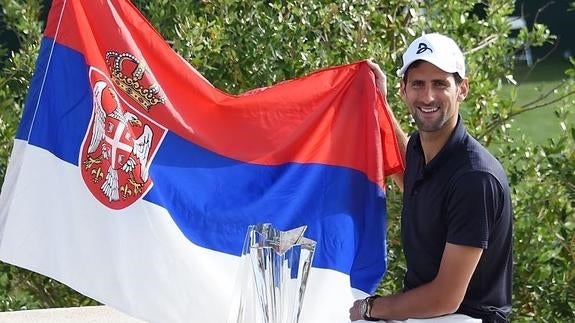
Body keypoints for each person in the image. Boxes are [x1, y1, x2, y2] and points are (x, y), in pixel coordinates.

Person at [349, 33, 513, 322]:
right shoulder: (420, 148)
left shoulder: (475, 178)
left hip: (463, 316)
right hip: (428, 313)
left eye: (440, 84)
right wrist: (378, 103)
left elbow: (445, 297)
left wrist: (371, 308)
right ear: (403, 90)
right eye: (418, 84)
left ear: (462, 89)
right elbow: (409, 178)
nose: (427, 97)